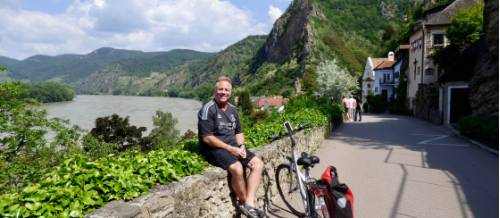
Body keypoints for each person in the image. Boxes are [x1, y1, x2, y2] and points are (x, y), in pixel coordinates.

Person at [198, 76, 265, 218]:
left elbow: (238, 132)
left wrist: (241, 146)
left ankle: (249, 204)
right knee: (237, 168)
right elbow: (207, 138)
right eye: (220, 89)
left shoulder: (233, 110)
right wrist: (231, 149)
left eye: (226, 90)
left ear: (231, 92)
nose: (223, 92)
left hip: (234, 146)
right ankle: (242, 201)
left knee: (258, 164)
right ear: (215, 91)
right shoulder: (208, 109)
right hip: (214, 149)